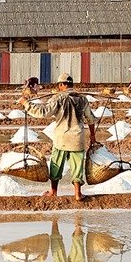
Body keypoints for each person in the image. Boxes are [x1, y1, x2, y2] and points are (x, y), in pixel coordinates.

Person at [17, 72, 98, 201]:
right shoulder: (82, 99)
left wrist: (26, 104)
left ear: (61, 85)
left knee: (56, 164)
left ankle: (53, 191)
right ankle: (78, 194)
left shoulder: (58, 98)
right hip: (77, 138)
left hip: (62, 138)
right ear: (71, 85)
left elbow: (44, 112)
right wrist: (93, 136)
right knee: (77, 167)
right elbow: (91, 119)